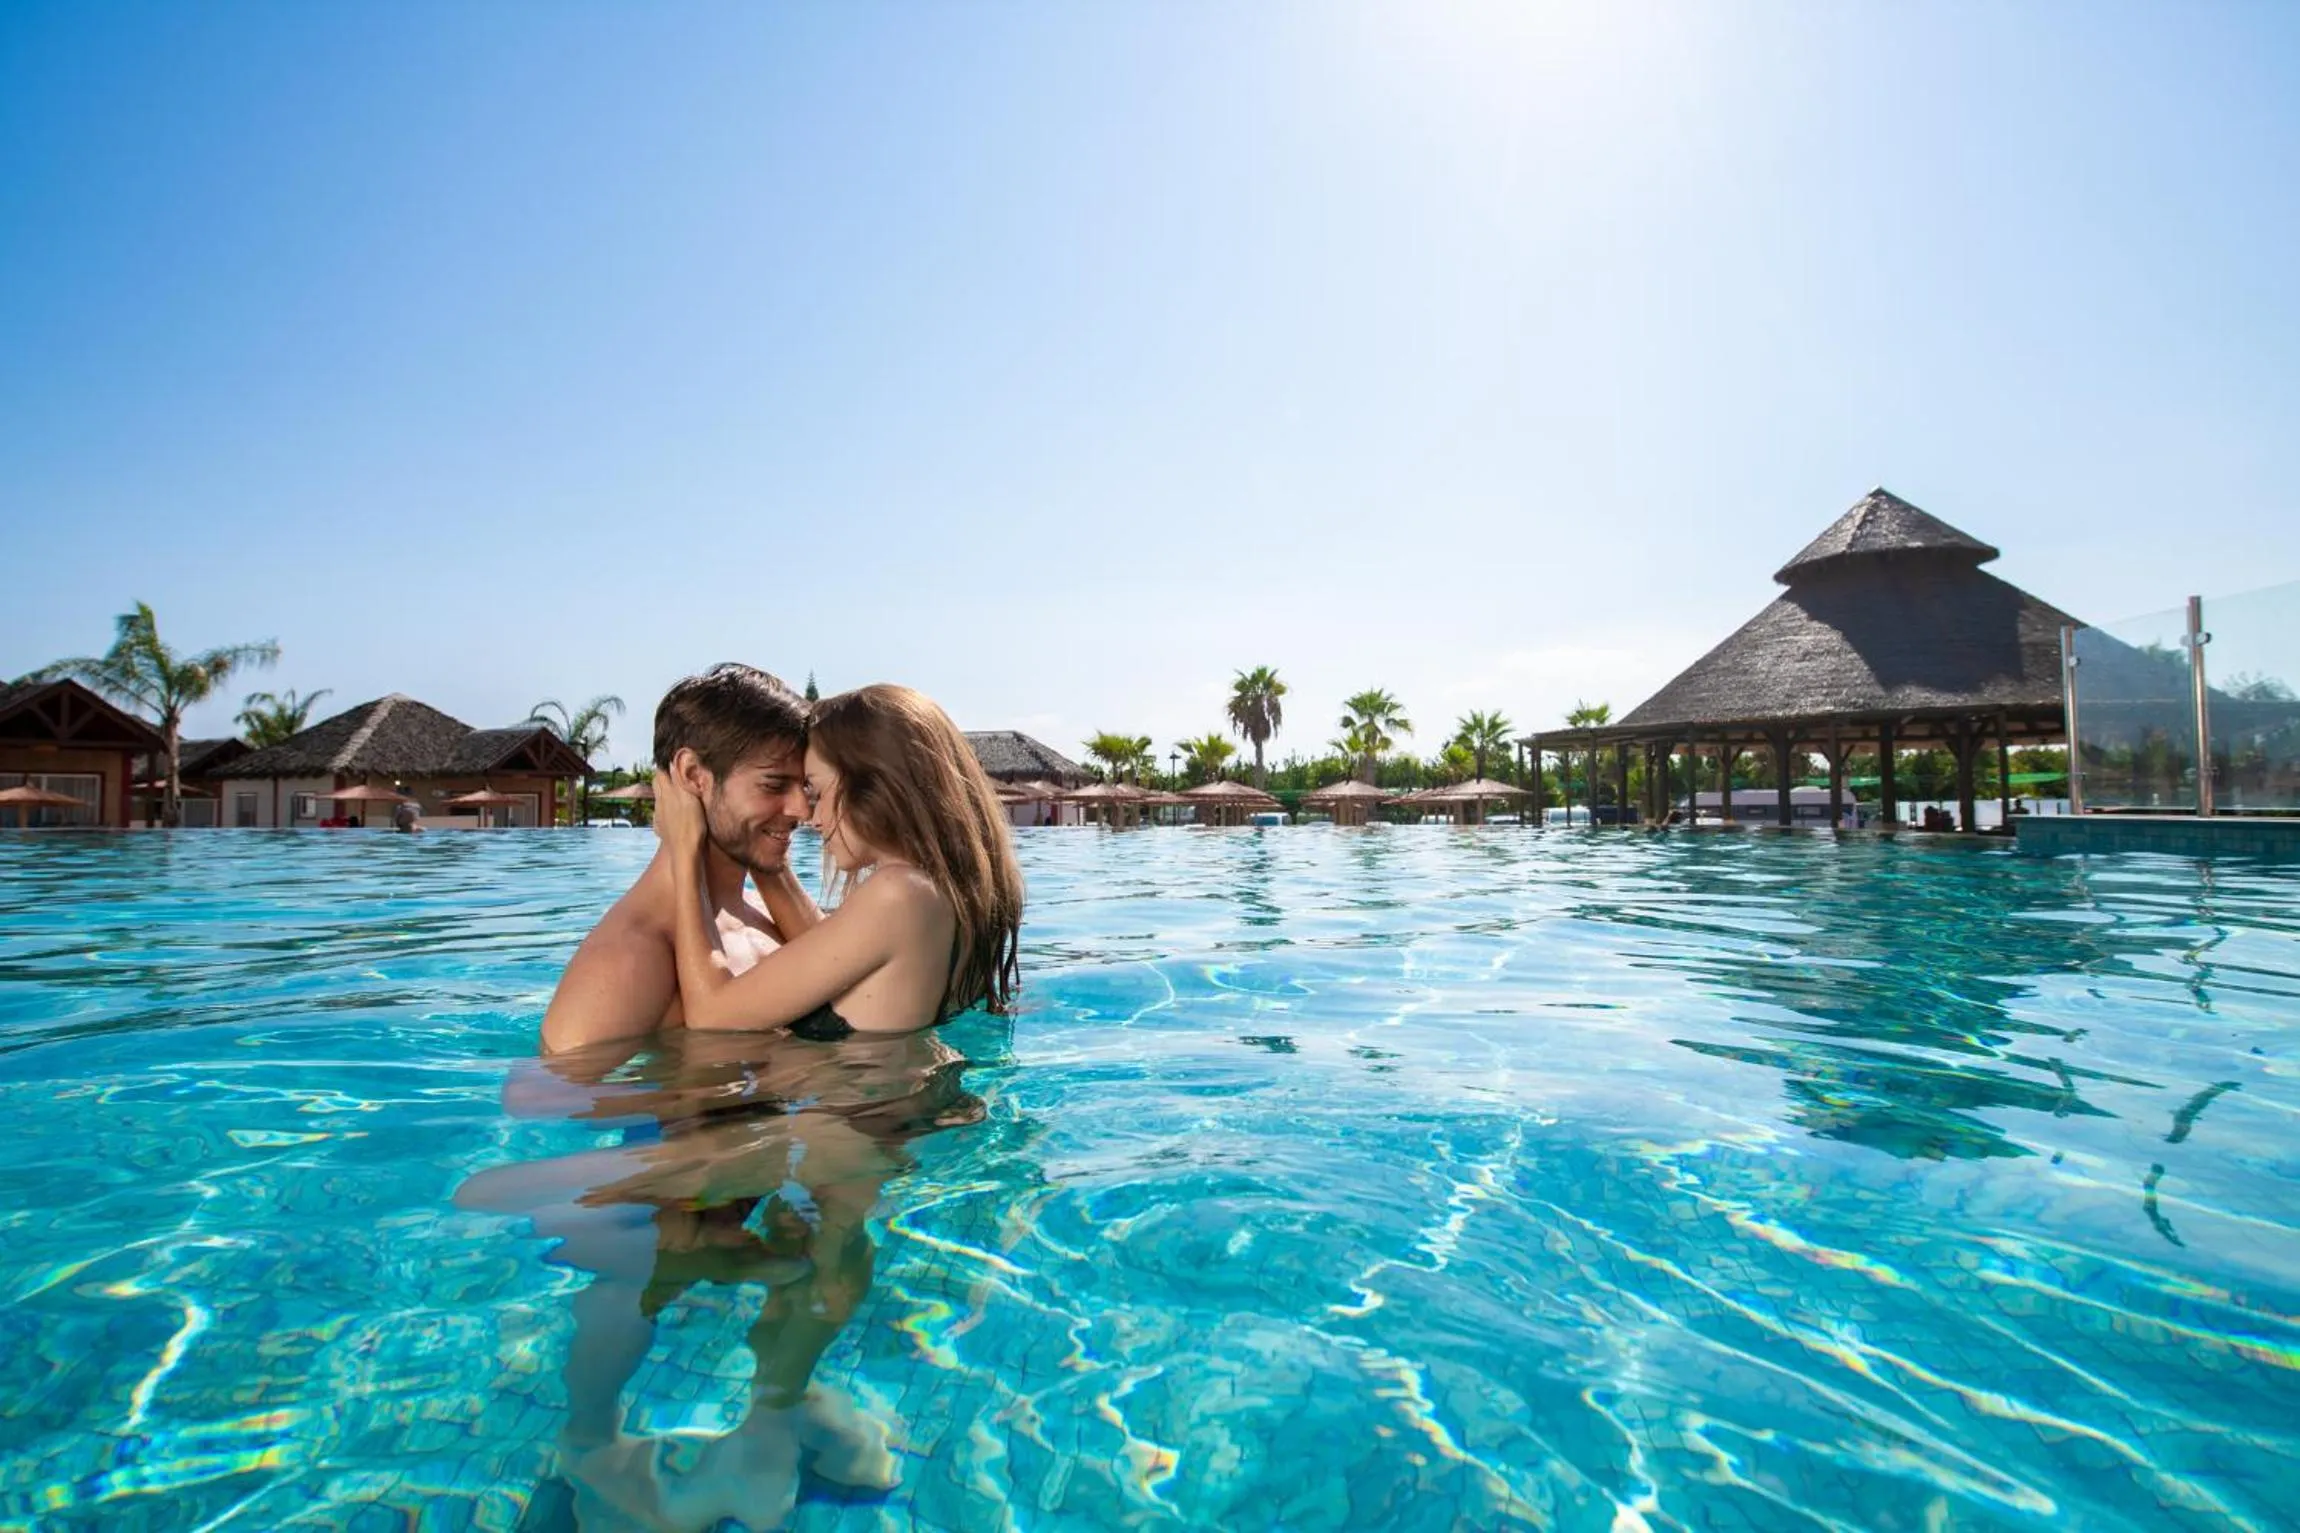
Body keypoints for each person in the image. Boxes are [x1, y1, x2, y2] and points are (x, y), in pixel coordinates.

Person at [650, 682, 1024, 1039]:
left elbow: (712, 1016)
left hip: (850, 1107)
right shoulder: (939, 890)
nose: (812, 816)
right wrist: (761, 847)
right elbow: (824, 954)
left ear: (874, 786)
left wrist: (684, 848)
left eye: (818, 789)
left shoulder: (897, 894)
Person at [541, 665, 821, 1055]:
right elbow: (539, 1098)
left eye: (805, 786)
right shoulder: (633, 953)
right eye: (774, 785)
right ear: (693, 775)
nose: (803, 810)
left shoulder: (763, 915)